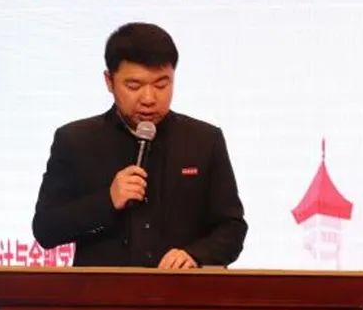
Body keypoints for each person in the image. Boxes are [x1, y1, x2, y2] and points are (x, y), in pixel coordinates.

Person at [32, 22, 247, 268]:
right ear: (109, 81)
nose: (149, 98)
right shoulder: (75, 141)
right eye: (134, 86)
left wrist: (196, 255)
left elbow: (232, 228)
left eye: (161, 85)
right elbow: (45, 229)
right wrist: (107, 201)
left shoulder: (204, 140)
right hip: (102, 291)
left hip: (181, 289)